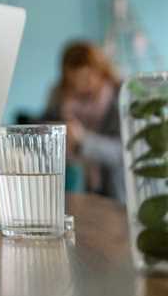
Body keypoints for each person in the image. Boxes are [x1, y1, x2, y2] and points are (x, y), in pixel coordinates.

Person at [43, 40, 124, 200]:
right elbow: (44, 130)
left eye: (87, 77)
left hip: (115, 191)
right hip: (74, 188)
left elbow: (123, 152)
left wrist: (83, 140)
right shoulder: (59, 96)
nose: (81, 86)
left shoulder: (119, 96)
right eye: (74, 79)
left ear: (100, 70)